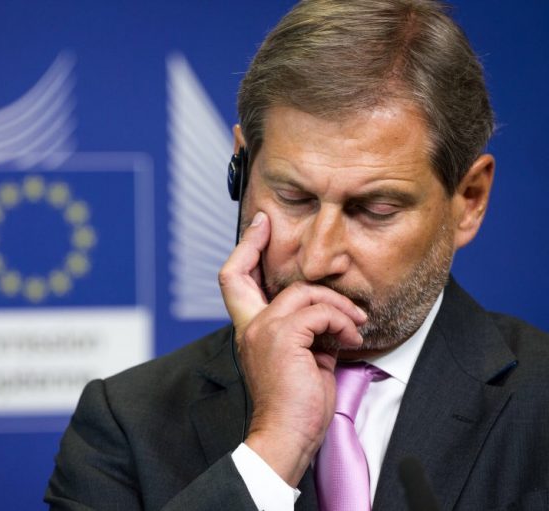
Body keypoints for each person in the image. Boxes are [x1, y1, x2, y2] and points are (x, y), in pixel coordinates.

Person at [45, 1, 549, 509]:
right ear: (241, 169)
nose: (317, 259)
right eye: (293, 198)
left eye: (374, 209)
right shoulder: (125, 425)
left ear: (469, 200)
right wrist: (272, 450)